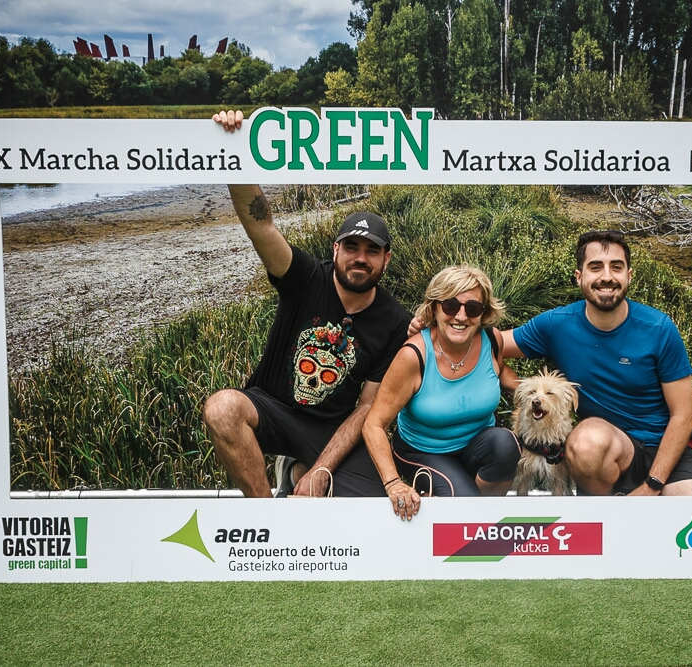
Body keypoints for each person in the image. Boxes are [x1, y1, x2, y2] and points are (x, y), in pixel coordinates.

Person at [203, 110, 411, 497]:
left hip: (332, 431)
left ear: (386, 260)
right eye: (351, 247)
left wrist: (319, 471)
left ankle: (298, 471)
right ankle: (267, 516)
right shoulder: (304, 276)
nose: (360, 258)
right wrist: (234, 155)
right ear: (335, 249)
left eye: (371, 250)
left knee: (370, 504)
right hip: (274, 410)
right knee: (221, 408)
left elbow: (367, 408)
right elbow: (261, 224)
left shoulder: (395, 320)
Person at [502, 229, 692, 496]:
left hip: (667, 450)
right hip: (607, 449)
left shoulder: (658, 328)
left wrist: (652, 487)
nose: (606, 276)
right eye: (595, 267)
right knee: (586, 443)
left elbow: (684, 415)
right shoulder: (556, 325)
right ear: (579, 277)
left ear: (628, 275)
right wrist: (440, 327)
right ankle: (604, 514)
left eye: (616, 266)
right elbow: (492, 344)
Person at [363, 265, 522, 520]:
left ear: (483, 313)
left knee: (506, 446)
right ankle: (467, 513)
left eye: (472, 308)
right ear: (434, 308)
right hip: (423, 450)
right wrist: (393, 483)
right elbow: (373, 424)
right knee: (463, 503)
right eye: (450, 306)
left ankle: (474, 515)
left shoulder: (491, 341)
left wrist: (538, 393)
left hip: (475, 444)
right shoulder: (414, 356)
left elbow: (500, 372)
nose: (461, 316)